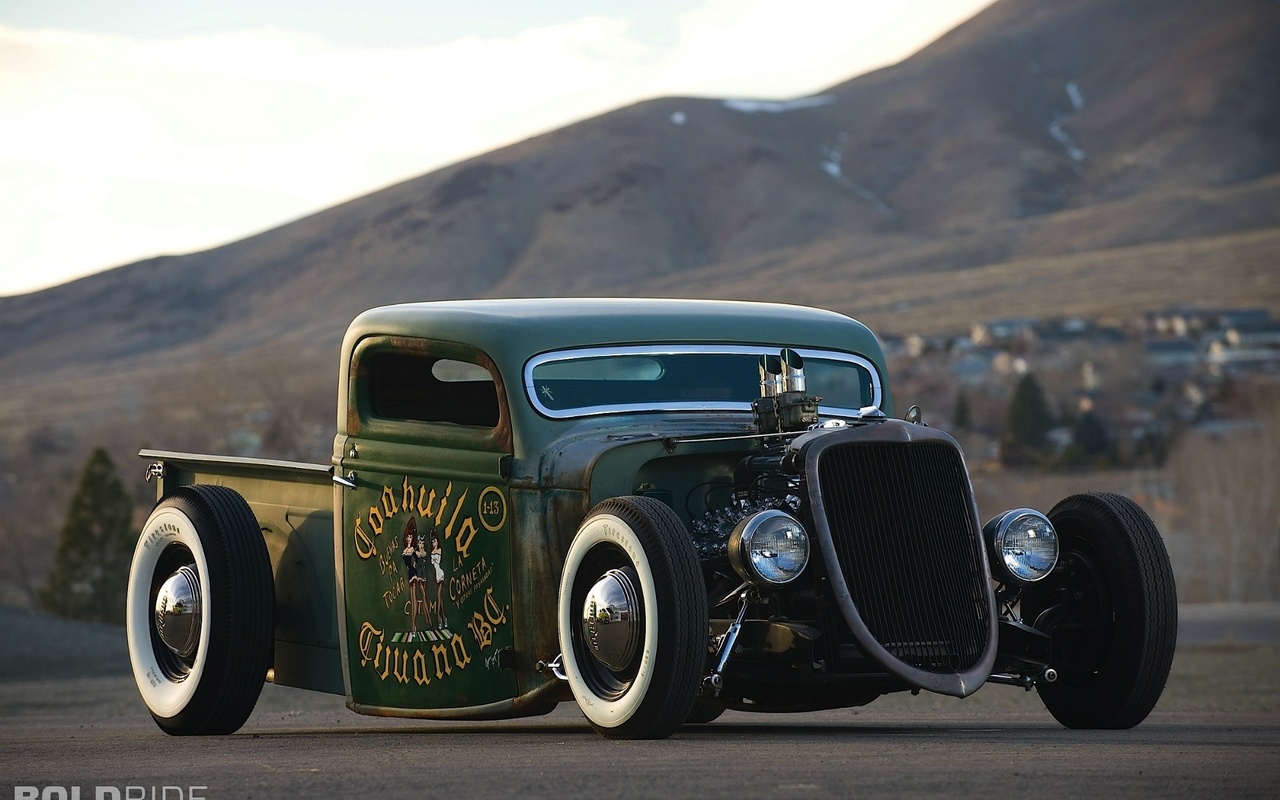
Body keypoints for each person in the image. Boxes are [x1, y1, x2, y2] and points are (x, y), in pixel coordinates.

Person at [429, 528, 447, 629]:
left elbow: (437, 561)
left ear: (437, 541)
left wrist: (434, 558)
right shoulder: (432, 551)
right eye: (432, 542)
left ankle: (439, 620)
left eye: (435, 541)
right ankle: (444, 618)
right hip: (436, 574)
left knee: (438, 597)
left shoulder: (439, 550)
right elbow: (432, 563)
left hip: (441, 573)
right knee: (440, 599)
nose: (433, 543)